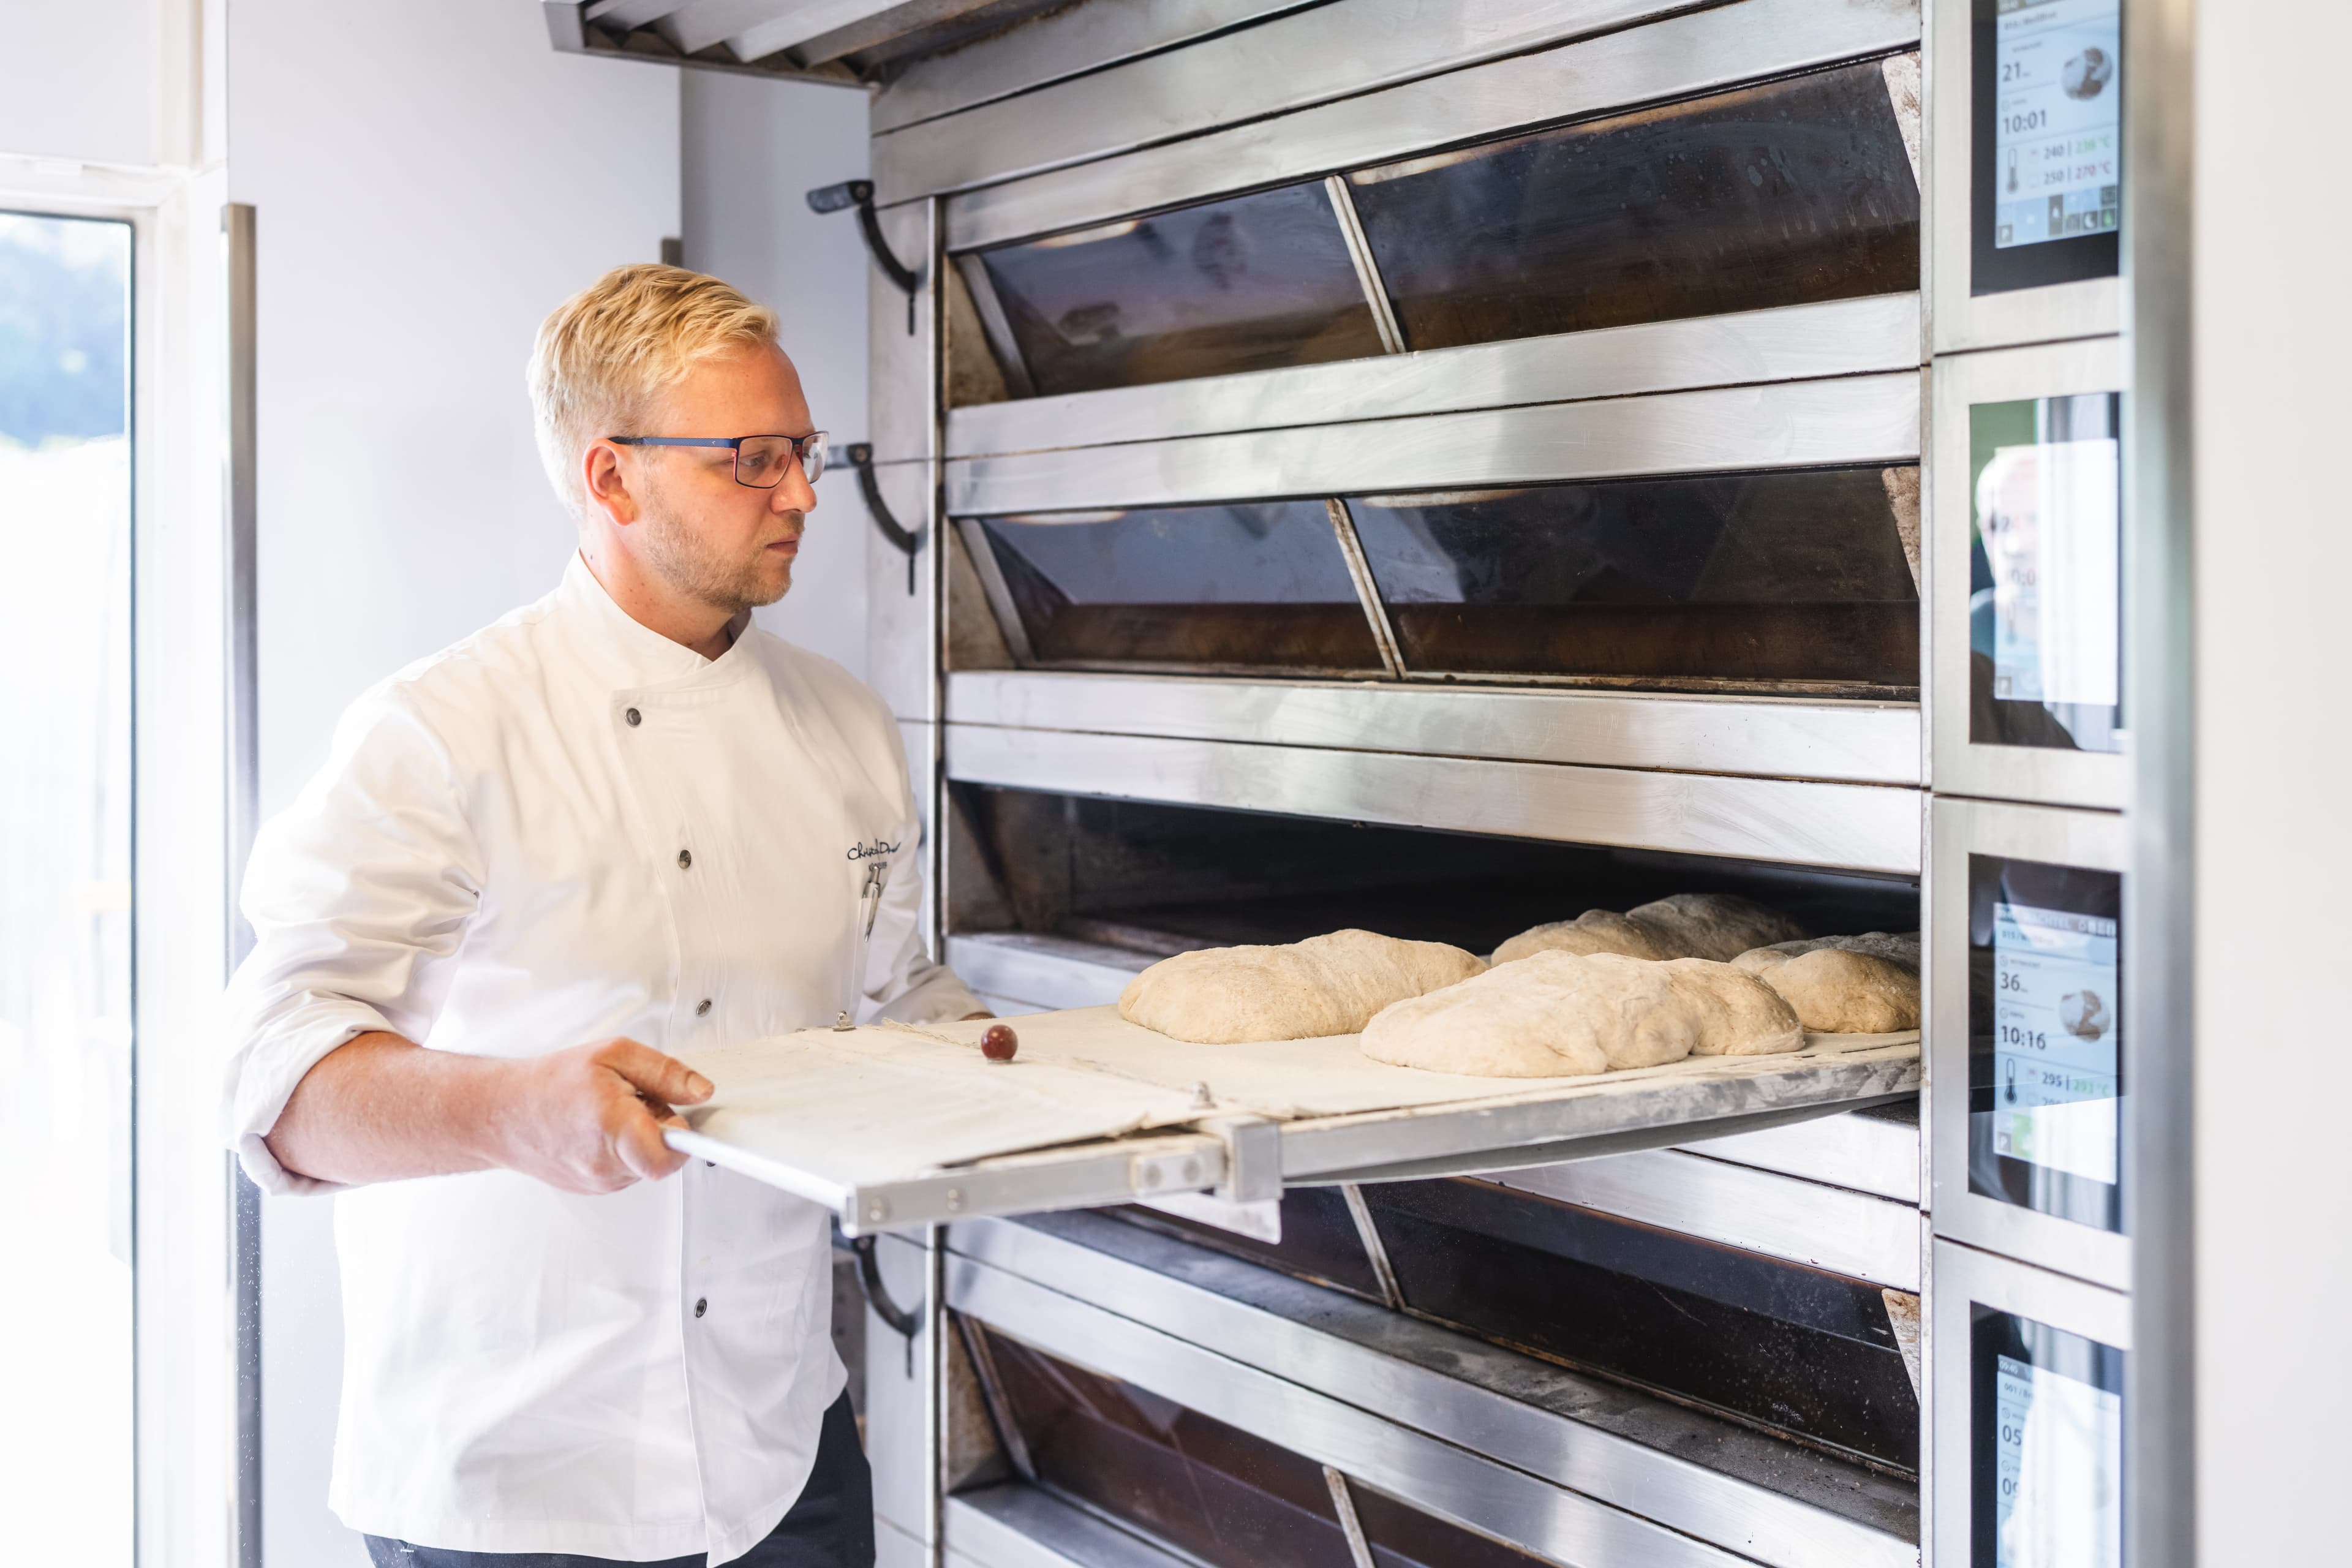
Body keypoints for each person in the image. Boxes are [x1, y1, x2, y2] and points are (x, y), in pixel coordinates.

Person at [221, 264, 984, 1567]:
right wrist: (515, 1109)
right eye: (750, 459)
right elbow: (273, 1080)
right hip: (510, 1476)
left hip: (777, 1449)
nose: (800, 494)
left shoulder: (846, 723)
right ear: (611, 477)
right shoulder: (442, 729)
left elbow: (886, 992)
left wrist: (1010, 1068)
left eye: (804, 452)